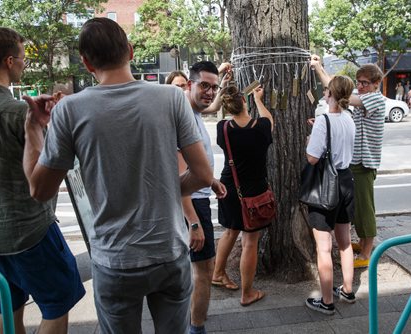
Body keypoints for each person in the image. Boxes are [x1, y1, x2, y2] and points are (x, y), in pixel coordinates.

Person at [22, 18, 226, 334]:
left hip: (114, 260)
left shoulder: (69, 110)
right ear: (130, 51)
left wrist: (34, 129)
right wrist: (165, 189)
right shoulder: (171, 98)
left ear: (87, 62)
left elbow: (39, 190)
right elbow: (203, 174)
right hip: (168, 252)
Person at [0, 27, 85, 333]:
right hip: (28, 231)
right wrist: (48, 125)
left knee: (9, 308)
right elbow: (48, 170)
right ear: (10, 61)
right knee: (57, 305)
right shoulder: (18, 113)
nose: (25, 64)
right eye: (23, 58)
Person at [311, 54, 385, 269]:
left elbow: (339, 91)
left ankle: (367, 252)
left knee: (365, 209)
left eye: (365, 83)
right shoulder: (365, 95)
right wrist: (322, 68)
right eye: (359, 82)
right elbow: (339, 87)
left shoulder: (376, 98)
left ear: (376, 84)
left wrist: (317, 68)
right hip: (358, 162)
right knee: (358, 207)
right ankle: (362, 244)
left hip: (364, 163)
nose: (360, 86)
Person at [176, 60, 228, 334]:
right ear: (189, 84)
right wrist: (193, 222)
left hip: (199, 197)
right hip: (192, 205)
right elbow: (178, 179)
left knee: (199, 271)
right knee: (204, 271)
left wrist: (212, 180)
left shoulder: (192, 111)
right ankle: (196, 329)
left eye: (213, 87)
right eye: (204, 85)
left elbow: (193, 168)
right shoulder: (181, 115)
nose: (209, 92)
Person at [212, 84, 274, 307]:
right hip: (254, 190)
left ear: (227, 108)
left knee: (230, 231)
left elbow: (216, 108)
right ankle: (247, 293)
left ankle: (218, 273)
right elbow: (269, 120)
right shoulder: (262, 127)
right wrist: (259, 100)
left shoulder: (223, 128)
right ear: (245, 102)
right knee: (250, 241)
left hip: (229, 187)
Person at [303, 76, 356, 315]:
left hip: (326, 185)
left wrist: (310, 140)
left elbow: (313, 158)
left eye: (326, 91)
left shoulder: (324, 120)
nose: (324, 94)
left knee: (323, 247)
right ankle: (347, 289)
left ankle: (326, 301)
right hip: (346, 180)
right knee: (344, 243)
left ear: (330, 94)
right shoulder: (349, 117)